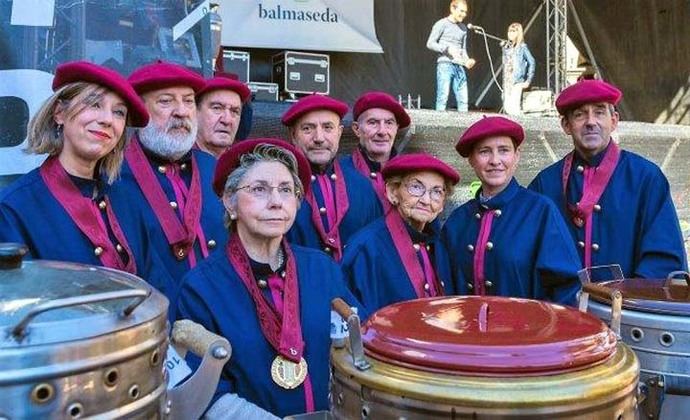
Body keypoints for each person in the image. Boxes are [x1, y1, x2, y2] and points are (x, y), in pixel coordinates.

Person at [175, 139, 365, 417]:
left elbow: (355, 348)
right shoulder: (201, 287)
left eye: (286, 190)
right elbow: (204, 392)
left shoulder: (321, 269)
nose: (276, 202)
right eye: (259, 189)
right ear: (230, 201)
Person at [0, 61, 171, 292]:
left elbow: (158, 290)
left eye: (119, 112)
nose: (108, 119)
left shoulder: (128, 199)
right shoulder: (13, 208)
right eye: (94, 104)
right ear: (59, 113)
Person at [529, 79, 688, 278]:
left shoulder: (646, 178)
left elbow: (664, 259)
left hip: (626, 305)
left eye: (600, 112)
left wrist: (626, 302)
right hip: (563, 306)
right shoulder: (546, 183)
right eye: (579, 114)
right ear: (566, 125)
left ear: (614, 121)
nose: (590, 122)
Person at [113, 61, 228, 289]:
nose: (182, 111)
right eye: (166, 101)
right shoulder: (113, 176)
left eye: (188, 101)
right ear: (140, 111)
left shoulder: (213, 169)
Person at [442, 116, 581, 305]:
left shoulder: (540, 211)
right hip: (467, 331)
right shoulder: (458, 220)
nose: (495, 160)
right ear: (471, 160)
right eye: (484, 152)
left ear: (517, 156)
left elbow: (567, 287)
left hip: (526, 332)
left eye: (504, 151)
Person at [341, 153, 458, 313]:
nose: (426, 200)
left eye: (437, 192)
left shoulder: (438, 244)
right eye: (416, 187)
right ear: (393, 192)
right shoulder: (366, 248)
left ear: (443, 204)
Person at [282, 94, 380, 260]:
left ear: (339, 133)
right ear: (293, 135)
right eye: (308, 128)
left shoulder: (363, 187)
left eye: (328, 127)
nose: (319, 138)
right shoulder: (277, 189)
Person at [340, 91, 411, 214]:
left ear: (396, 128)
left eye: (389, 123)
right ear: (356, 129)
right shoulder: (339, 173)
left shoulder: (412, 174)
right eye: (373, 123)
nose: (382, 131)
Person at [426, 0, 476, 112]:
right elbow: (430, 43)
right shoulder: (441, 24)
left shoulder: (463, 28)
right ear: (452, 9)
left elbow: (463, 49)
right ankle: (438, 126)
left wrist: (467, 61)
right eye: (461, 11)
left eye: (465, 12)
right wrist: (447, 49)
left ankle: (465, 126)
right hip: (445, 64)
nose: (464, 14)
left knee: (463, 99)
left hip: (459, 65)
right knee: (442, 97)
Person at [195, 72, 251, 157]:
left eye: (234, 111)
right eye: (217, 108)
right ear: (195, 112)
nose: (227, 120)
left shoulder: (244, 166)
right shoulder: (174, 163)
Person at [502, 22, 535, 115]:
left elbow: (532, 62)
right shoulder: (507, 47)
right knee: (507, 107)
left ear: (518, 33)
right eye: (509, 31)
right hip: (507, 81)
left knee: (514, 108)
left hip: (517, 81)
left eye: (513, 31)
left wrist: (528, 80)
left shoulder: (522, 47)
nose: (510, 33)